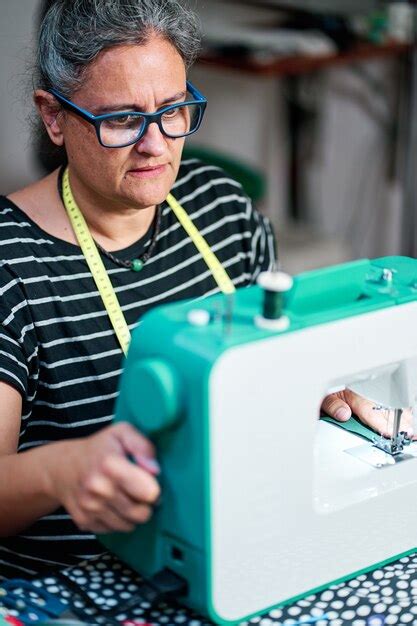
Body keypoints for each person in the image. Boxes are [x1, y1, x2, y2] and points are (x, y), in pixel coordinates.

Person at [0, 0, 412, 581]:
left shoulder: (222, 209)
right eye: (121, 119)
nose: (155, 146)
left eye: (173, 110)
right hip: (79, 584)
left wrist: (309, 389)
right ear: (54, 117)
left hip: (236, 550)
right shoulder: (10, 266)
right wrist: (63, 469)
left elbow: (269, 372)